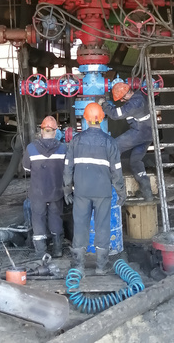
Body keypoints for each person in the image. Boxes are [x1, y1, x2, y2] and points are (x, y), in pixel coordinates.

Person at [63, 103, 126, 276]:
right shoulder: (110, 142)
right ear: (102, 118)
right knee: (102, 227)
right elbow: (116, 171)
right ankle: (100, 266)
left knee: (81, 226)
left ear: (84, 118)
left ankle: (79, 266)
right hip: (103, 192)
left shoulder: (76, 141)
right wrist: (121, 192)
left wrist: (67, 189)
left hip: (81, 192)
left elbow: (68, 168)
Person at [99, 82, 153, 201]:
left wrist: (104, 104)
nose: (122, 101)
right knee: (135, 161)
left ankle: (112, 184)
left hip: (140, 133)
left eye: (121, 99)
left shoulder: (134, 103)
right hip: (148, 134)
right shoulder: (139, 96)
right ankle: (147, 192)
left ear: (126, 95)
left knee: (114, 147)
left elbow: (115, 115)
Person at [22, 115, 67, 258]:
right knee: (55, 217)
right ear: (55, 132)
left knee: (38, 219)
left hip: (38, 192)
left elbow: (26, 169)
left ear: (42, 131)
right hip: (56, 191)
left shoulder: (31, 148)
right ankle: (58, 249)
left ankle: (41, 252)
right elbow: (68, 170)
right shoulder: (64, 148)